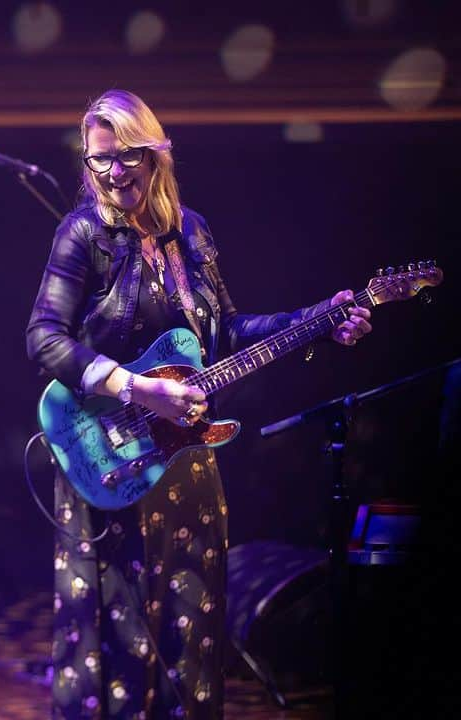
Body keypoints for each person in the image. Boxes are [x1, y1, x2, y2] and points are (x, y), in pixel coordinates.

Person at [25, 90, 372, 719]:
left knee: (192, 636)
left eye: (124, 156)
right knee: (124, 640)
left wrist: (318, 320)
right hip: (109, 455)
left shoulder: (192, 232)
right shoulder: (82, 233)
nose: (110, 173)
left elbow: (224, 335)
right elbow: (43, 337)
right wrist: (135, 388)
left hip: (186, 460)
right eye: (97, 160)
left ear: (154, 153)